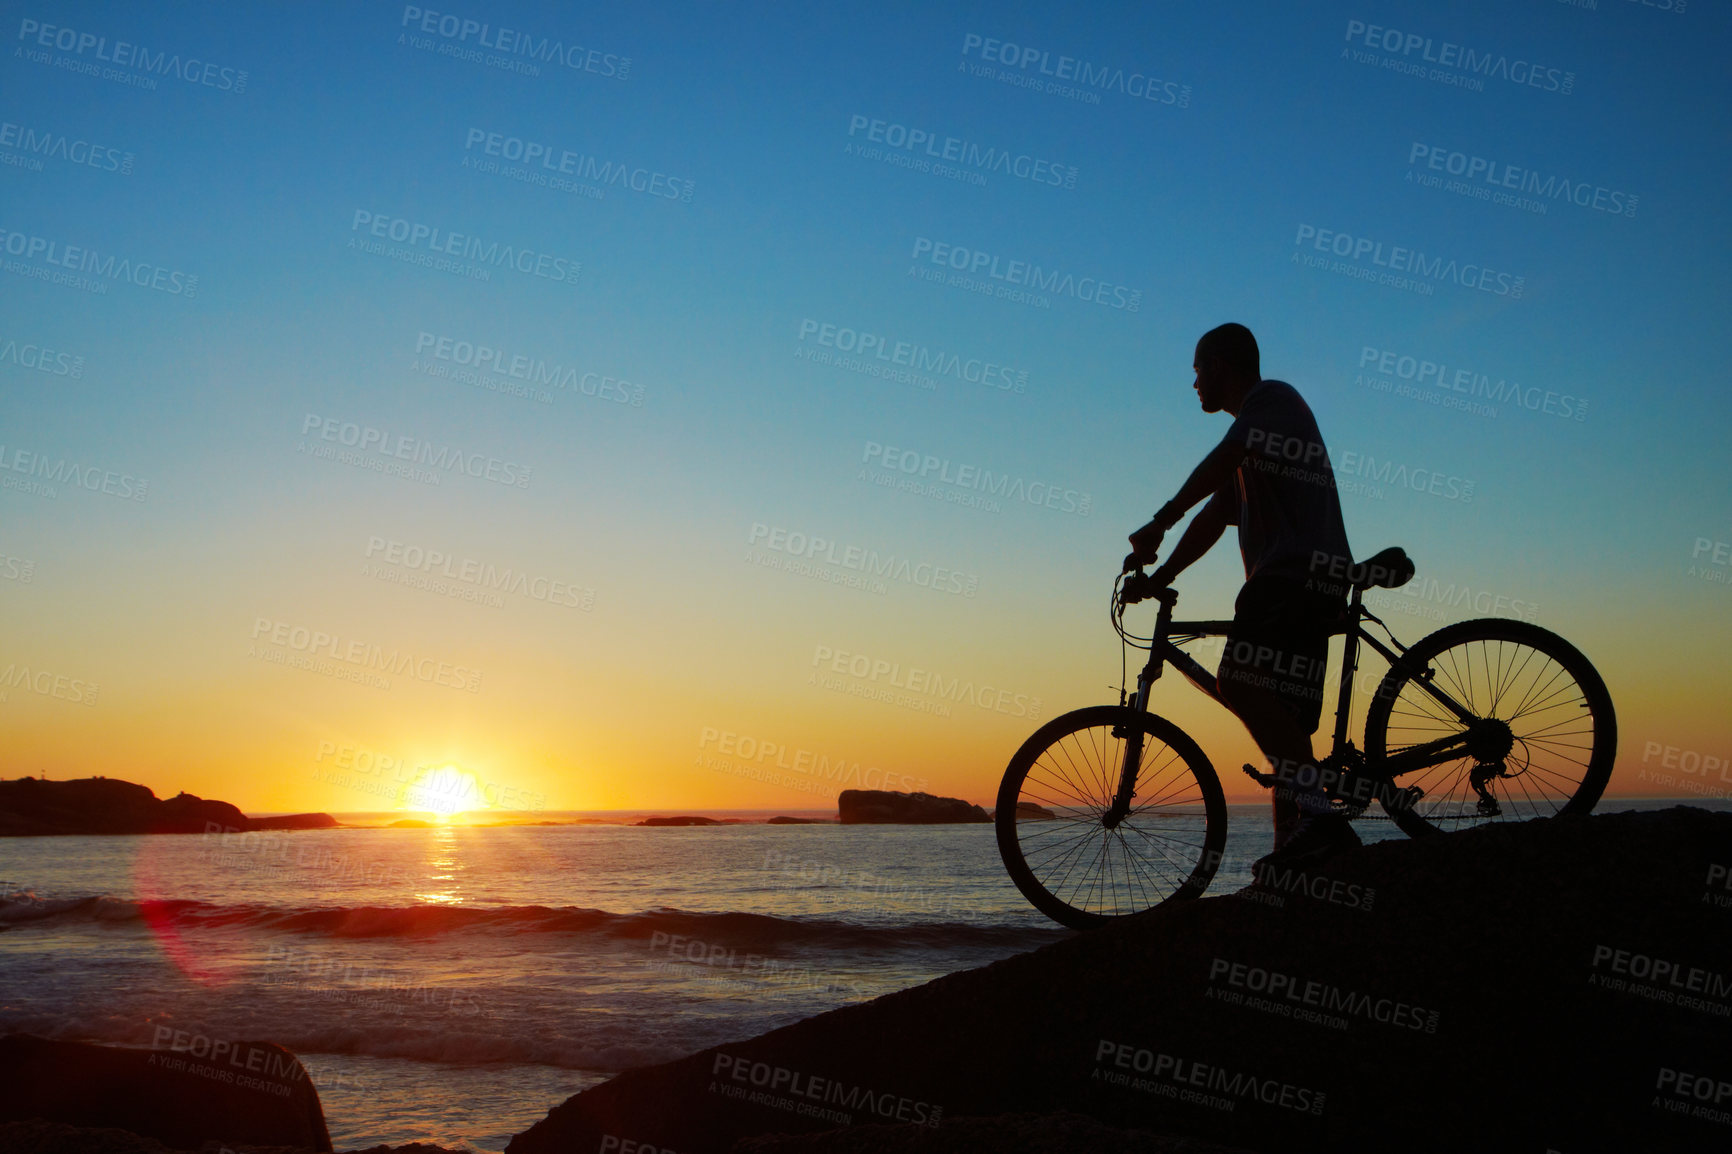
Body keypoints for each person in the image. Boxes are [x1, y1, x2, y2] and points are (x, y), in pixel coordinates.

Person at [1126, 323, 1357, 868]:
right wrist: (1163, 576)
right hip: (1305, 580)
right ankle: (1293, 858)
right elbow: (1217, 515)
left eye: (1198, 371)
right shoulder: (1256, 436)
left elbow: (1220, 463)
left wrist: (1160, 521)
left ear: (1223, 367)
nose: (1195, 384)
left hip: (1291, 577)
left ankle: (1321, 821)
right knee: (1287, 736)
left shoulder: (1271, 401)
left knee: (1238, 680)